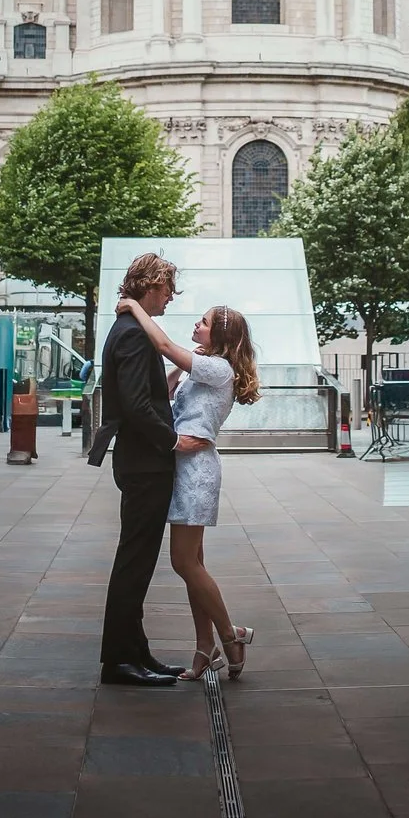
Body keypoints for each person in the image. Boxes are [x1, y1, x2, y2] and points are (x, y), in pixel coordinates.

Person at [121, 298, 260, 678]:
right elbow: (167, 394)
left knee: (183, 562)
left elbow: (164, 347)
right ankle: (205, 648)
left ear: (220, 335)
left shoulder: (218, 368)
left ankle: (231, 635)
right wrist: (180, 372)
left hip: (195, 470)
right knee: (192, 565)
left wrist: (136, 308)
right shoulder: (206, 367)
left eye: (203, 322)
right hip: (183, 466)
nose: (196, 325)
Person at [97, 253, 198, 686]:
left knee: (136, 561)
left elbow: (141, 394)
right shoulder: (136, 335)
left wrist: (171, 378)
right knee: (134, 563)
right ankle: (120, 661)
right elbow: (138, 406)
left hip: (136, 461)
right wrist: (174, 441)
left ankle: (136, 653)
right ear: (150, 286)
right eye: (167, 290)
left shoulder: (126, 329)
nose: (170, 299)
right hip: (145, 464)